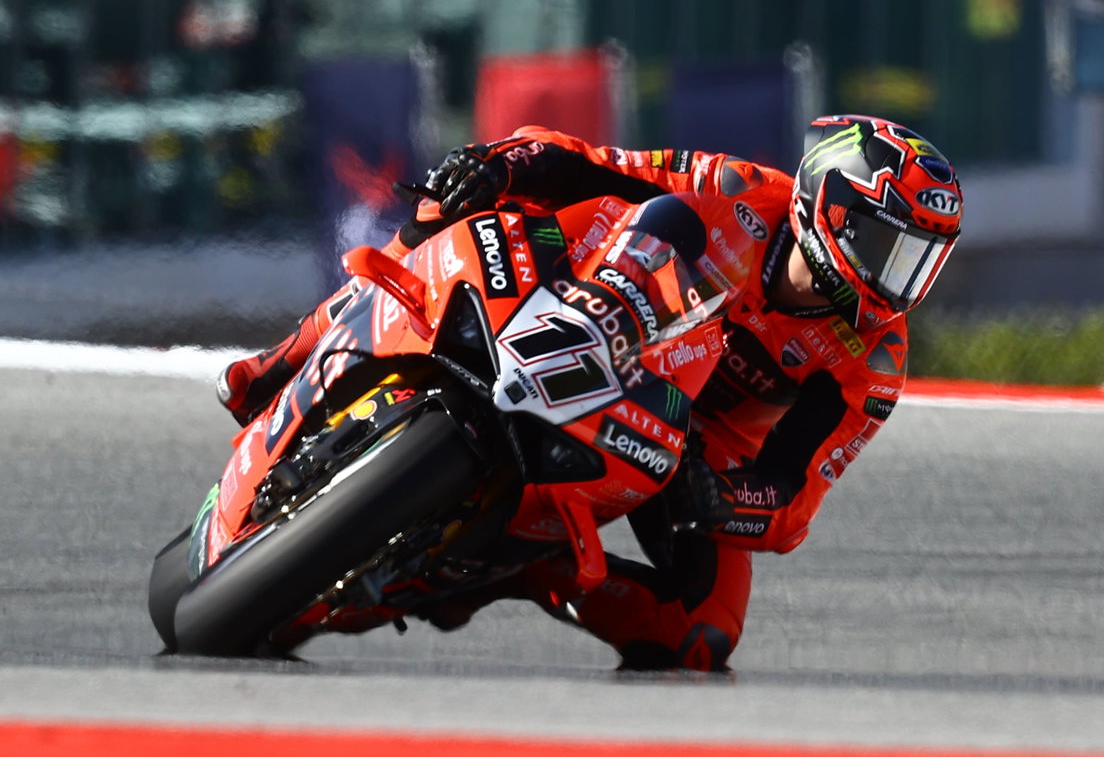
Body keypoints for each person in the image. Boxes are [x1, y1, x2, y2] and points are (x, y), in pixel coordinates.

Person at [217, 114, 963, 670]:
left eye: (919, 261)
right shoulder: (732, 188)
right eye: (888, 245)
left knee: (703, 633)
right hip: (589, 306)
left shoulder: (873, 359)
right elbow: (583, 163)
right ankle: (295, 351)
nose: (900, 280)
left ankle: (524, 567)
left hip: (681, 448)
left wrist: (724, 499)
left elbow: (793, 498)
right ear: (829, 208)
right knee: (447, 209)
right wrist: (496, 166)